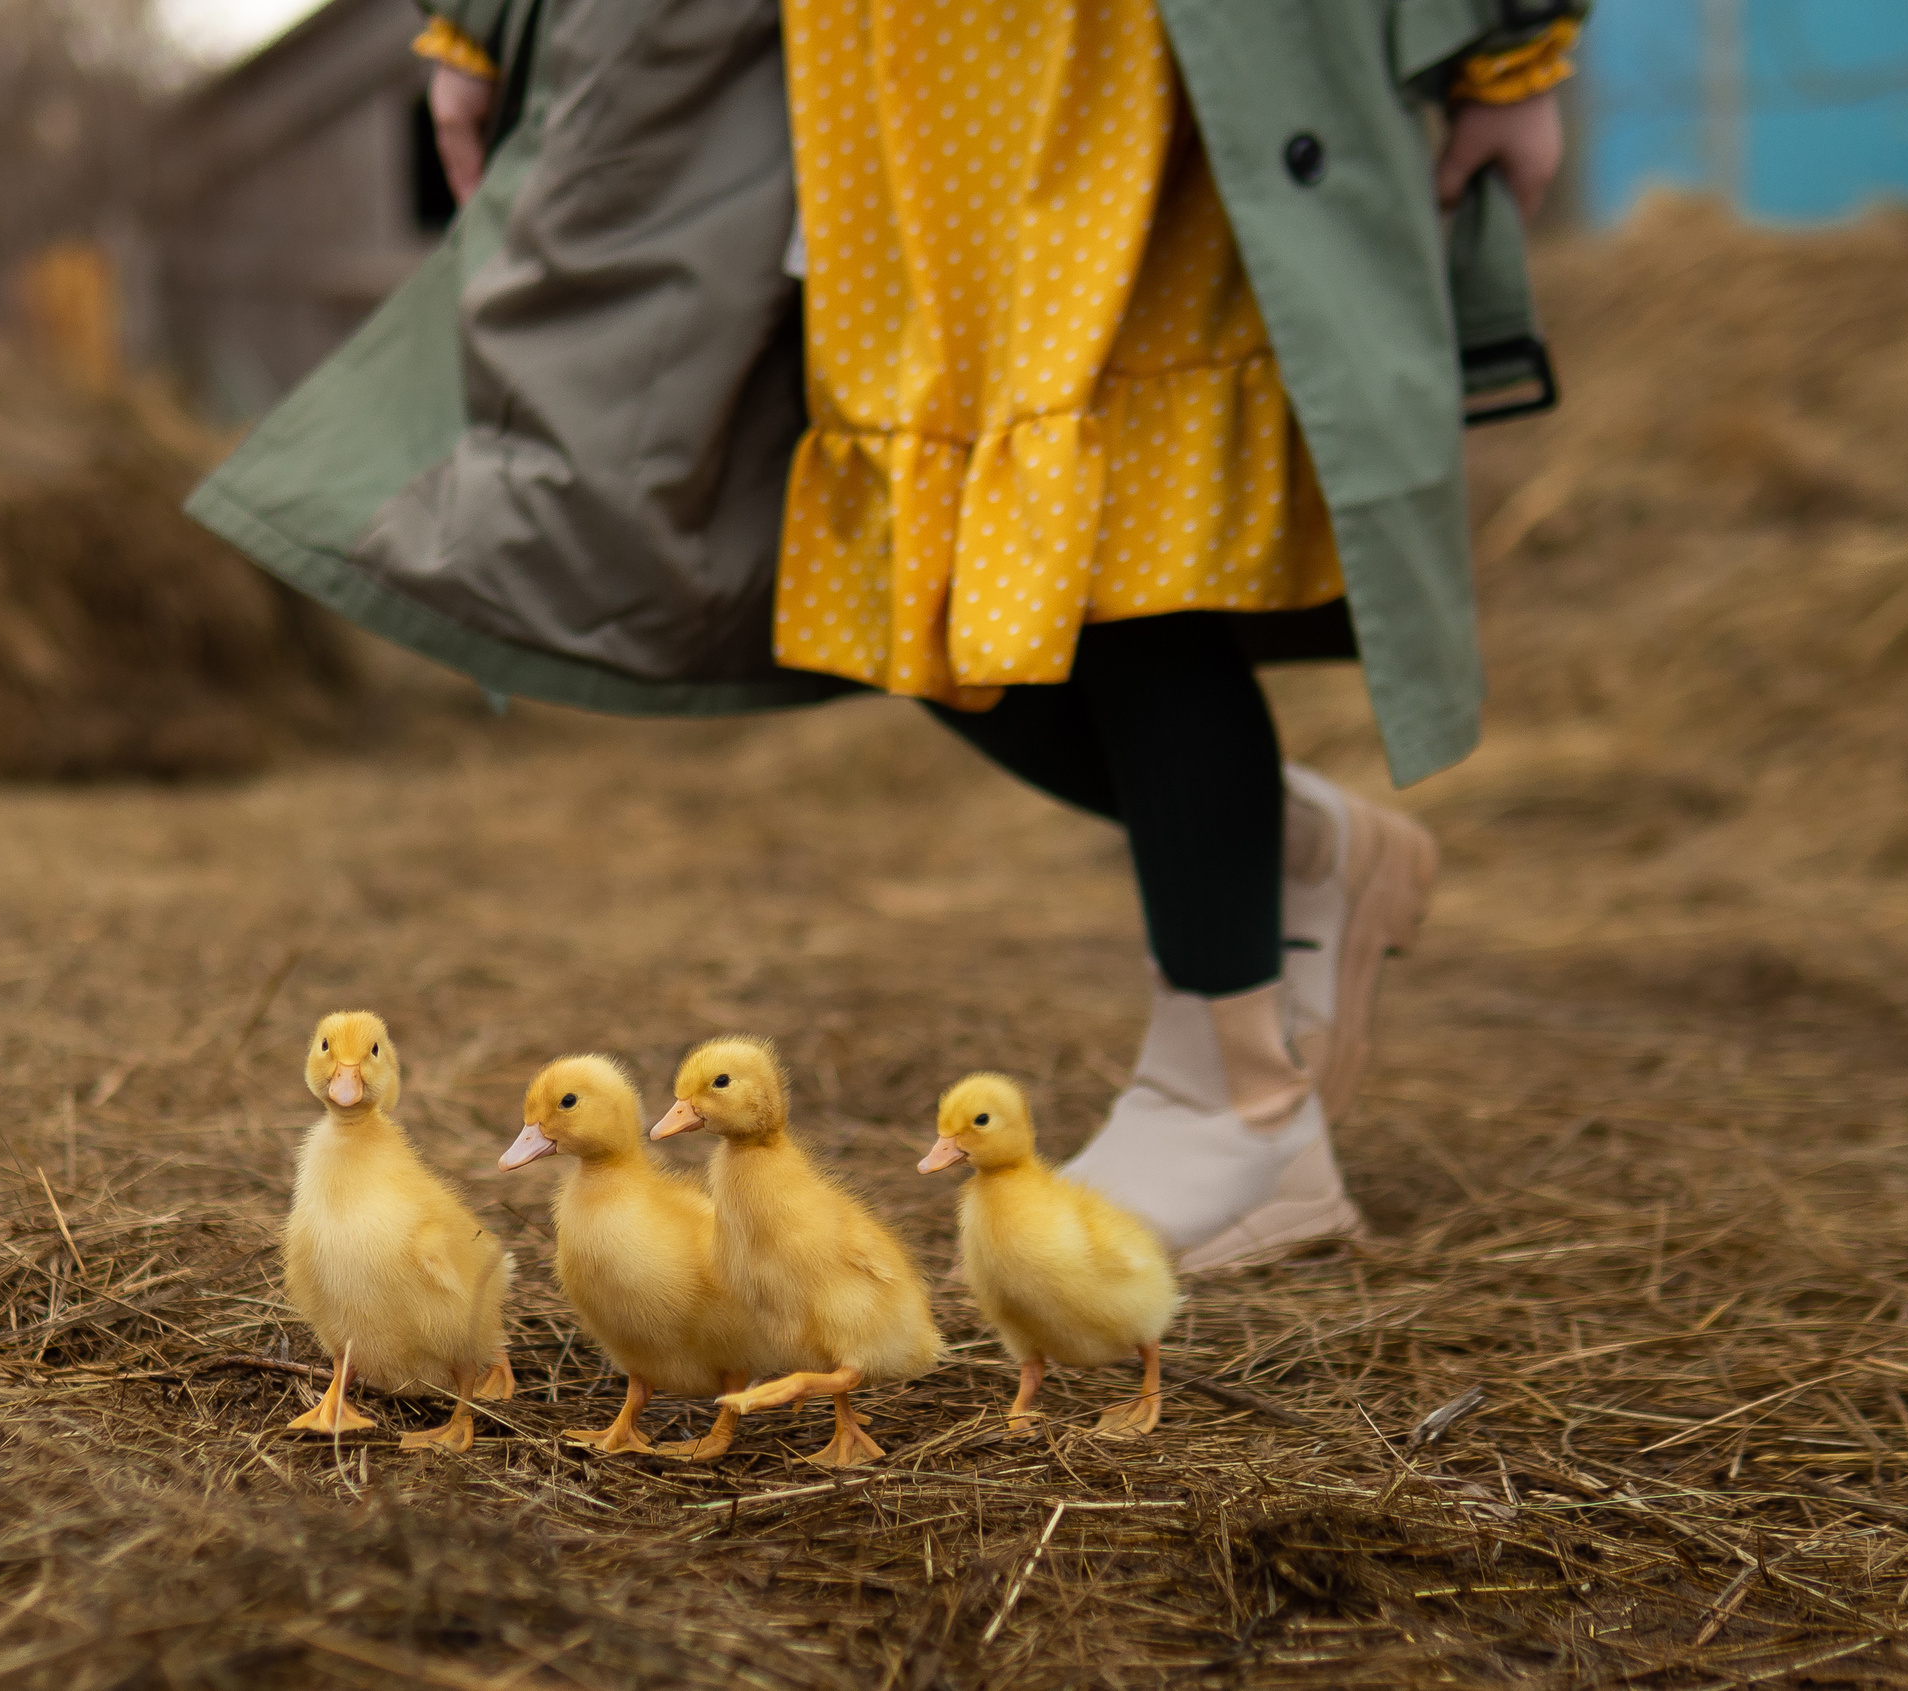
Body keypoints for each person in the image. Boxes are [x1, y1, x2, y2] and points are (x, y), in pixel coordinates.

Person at [188, 0, 1587, 1270]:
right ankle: (1276, 854)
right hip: (886, 76)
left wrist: (1520, 42)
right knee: (912, 592)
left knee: (1118, 537)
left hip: (1127, 57)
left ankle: (1239, 1101)